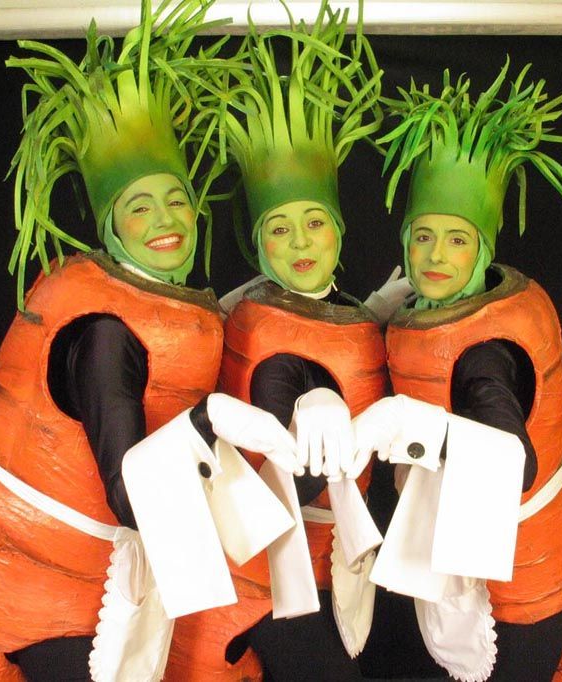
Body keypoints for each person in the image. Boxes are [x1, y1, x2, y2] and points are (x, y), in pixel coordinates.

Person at [0, 3, 300, 680]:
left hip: (88, 582)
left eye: (175, 200)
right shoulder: (102, 331)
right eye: (139, 206)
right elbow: (132, 491)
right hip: (1, 602)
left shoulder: (175, 311)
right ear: (110, 223)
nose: (165, 220)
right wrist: (211, 421)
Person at [354, 61, 562, 680]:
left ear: (483, 249)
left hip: (542, 577)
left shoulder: (485, 354)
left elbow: (512, 462)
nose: (437, 255)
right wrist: (375, 313)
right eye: (423, 237)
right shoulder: (426, 310)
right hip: (507, 565)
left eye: (457, 240)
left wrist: (405, 421)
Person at [162, 3, 390, 680]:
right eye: (279, 228)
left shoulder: (346, 310)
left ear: (339, 231)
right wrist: (316, 402)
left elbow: (335, 342)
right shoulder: (249, 323)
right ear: (258, 243)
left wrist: (380, 312)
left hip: (328, 566)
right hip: (262, 573)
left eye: (314, 222)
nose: (299, 243)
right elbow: (283, 435)